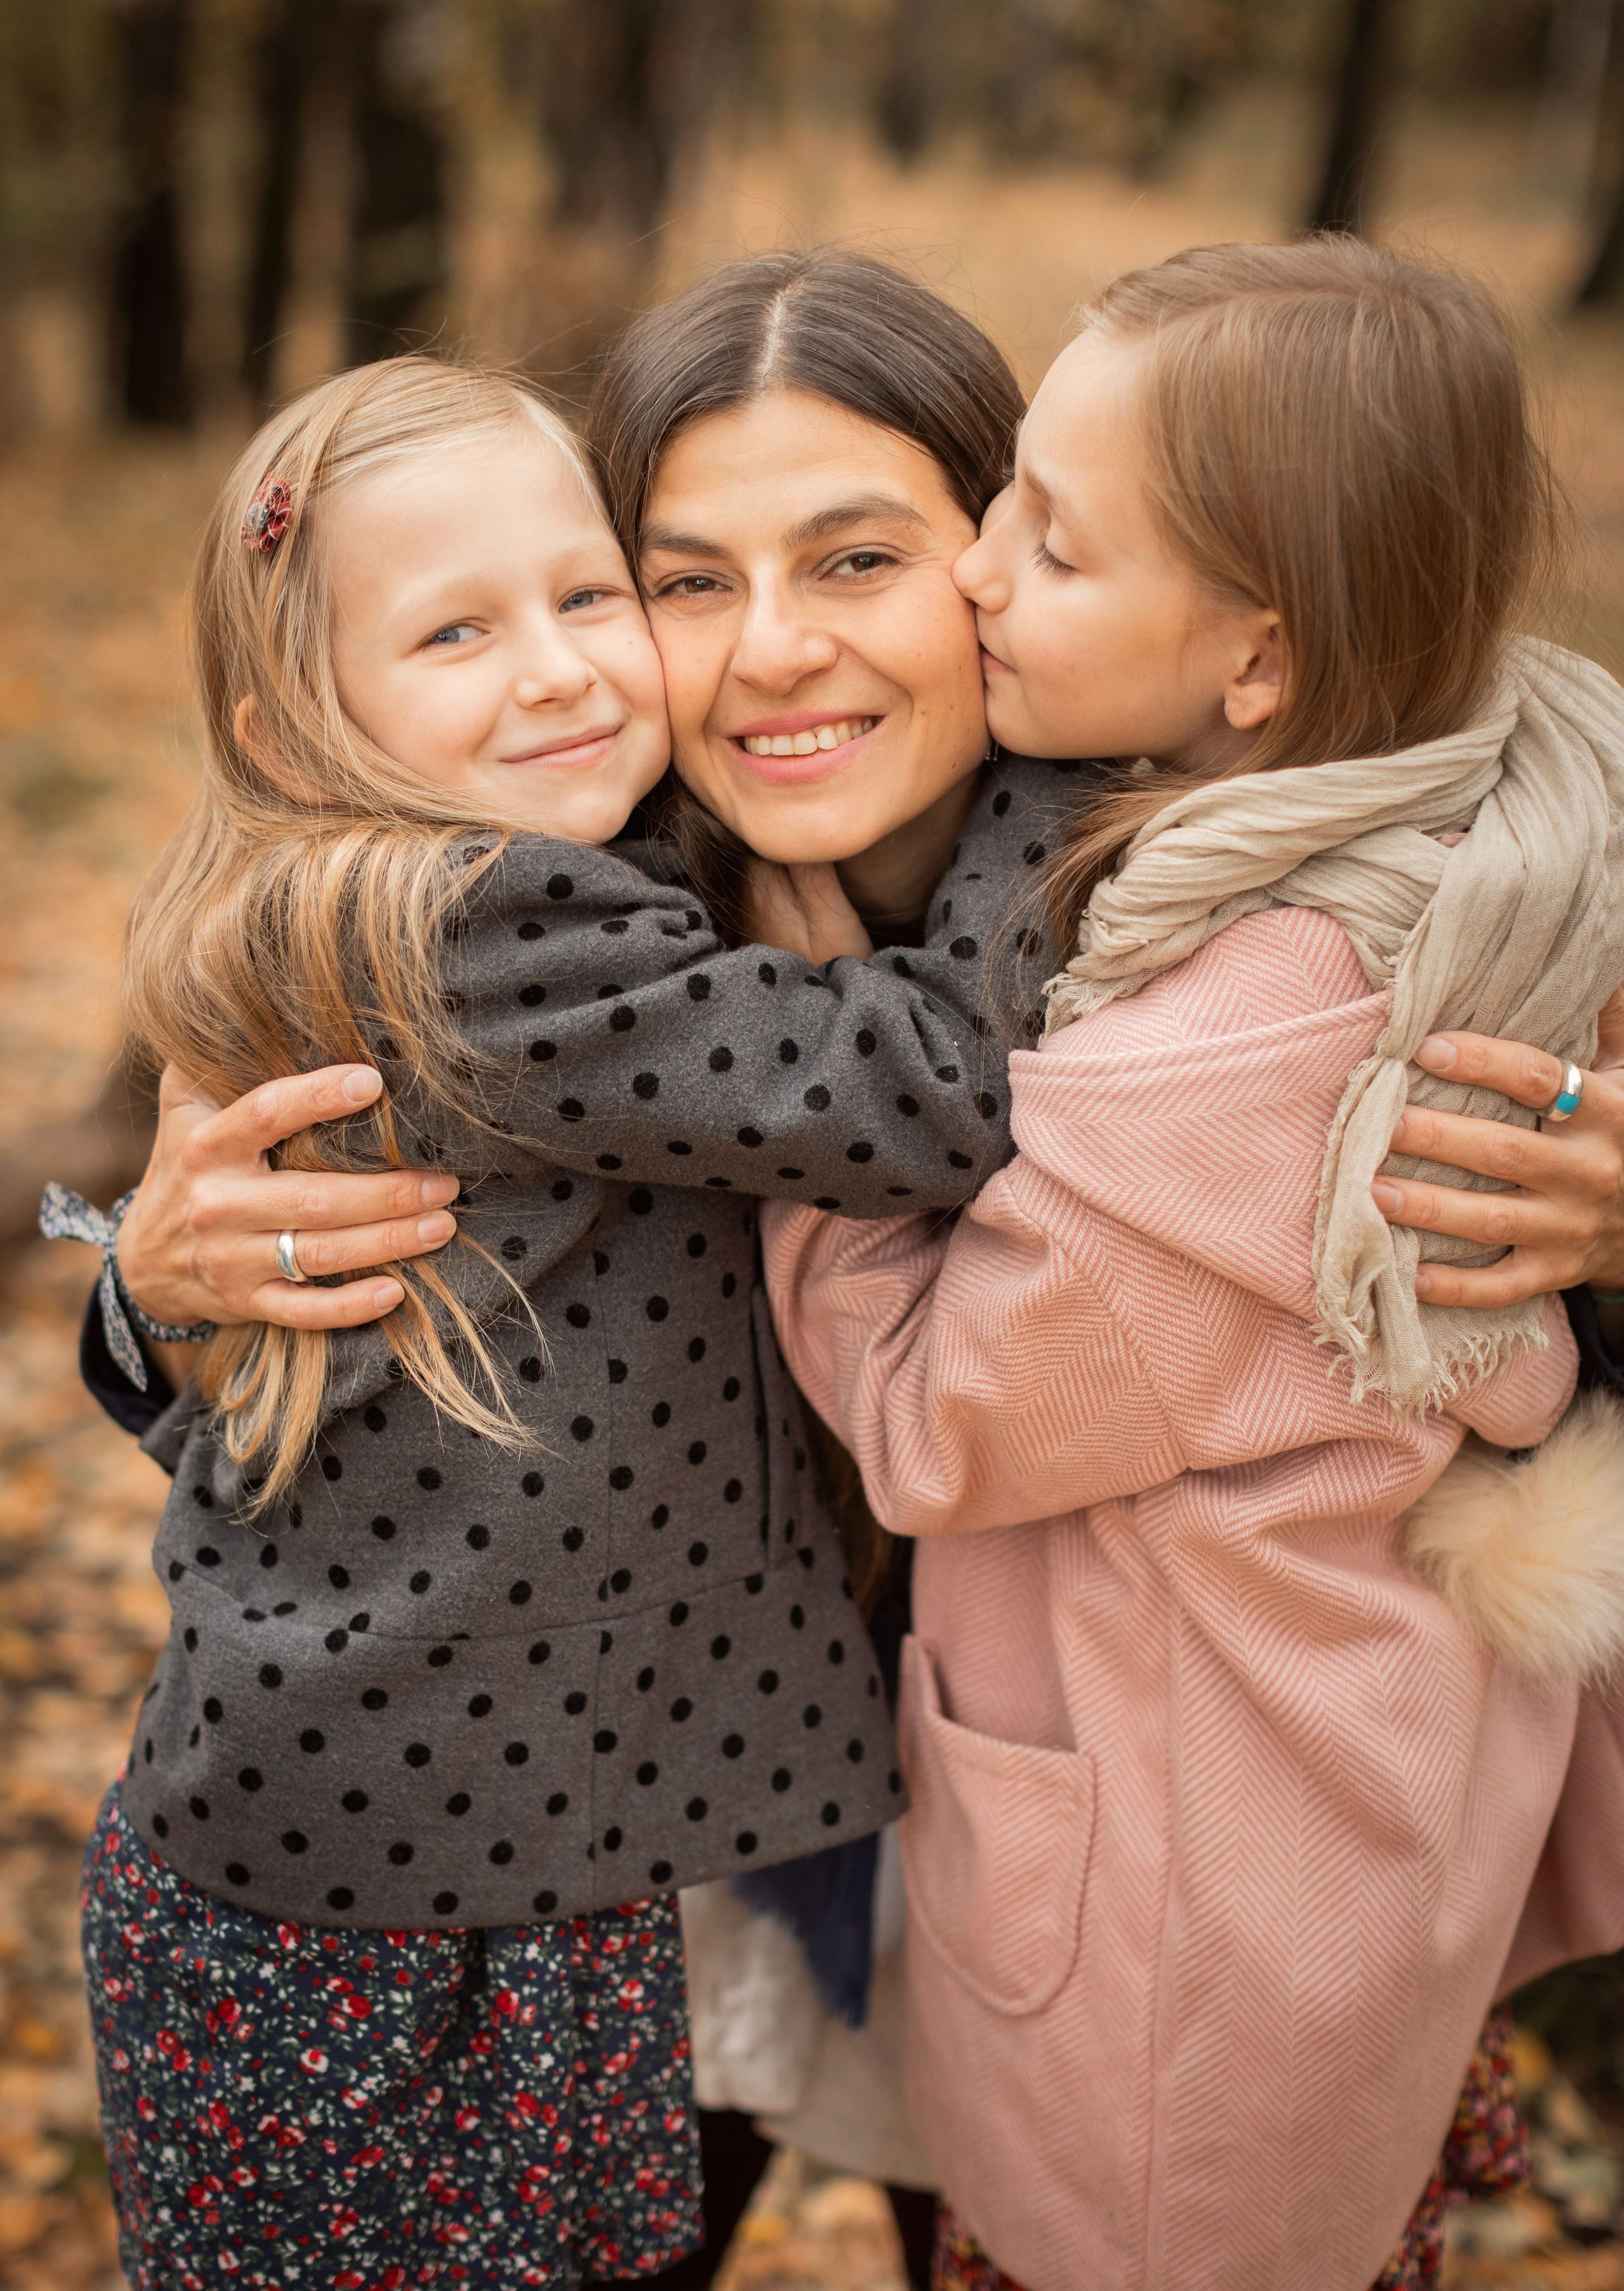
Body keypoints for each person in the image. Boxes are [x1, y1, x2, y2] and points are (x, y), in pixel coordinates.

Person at [74, 250, 1624, 2288]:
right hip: (635, 1816)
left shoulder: (1238, 897)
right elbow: (340, 1374)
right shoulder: (579, 881)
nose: (770, 653)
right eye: (686, 577)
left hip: (1131, 1831)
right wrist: (154, 1298)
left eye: (859, 556)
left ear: (1000, 555)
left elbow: (1448, 1269)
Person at [760, 236, 1624, 2291]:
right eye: (1000, 501)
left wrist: (803, 1116)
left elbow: (936, 1417)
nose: (975, 571)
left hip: (1192, 1970)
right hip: (1342, 1850)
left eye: (1049, 545)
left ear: (1255, 664)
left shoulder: (1222, 1076)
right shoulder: (1483, 855)